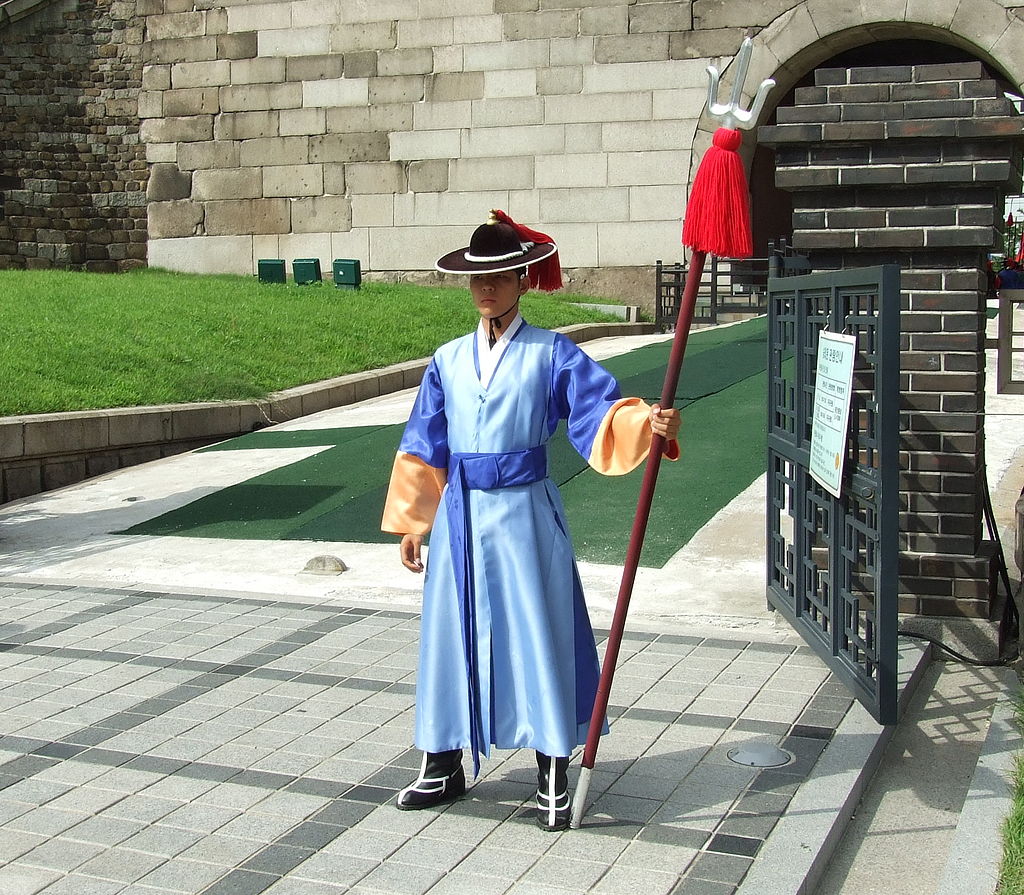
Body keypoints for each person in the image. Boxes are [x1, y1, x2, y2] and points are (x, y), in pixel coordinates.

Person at [380, 210, 681, 831]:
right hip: (461, 517)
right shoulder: (447, 360)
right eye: (477, 279)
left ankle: (551, 768)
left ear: (521, 279)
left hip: (525, 515)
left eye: (498, 276)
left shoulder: (553, 354)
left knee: (537, 630)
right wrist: (415, 520)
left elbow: (597, 410)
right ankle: (442, 760)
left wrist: (644, 424)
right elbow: (424, 441)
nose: (486, 288)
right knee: (450, 633)